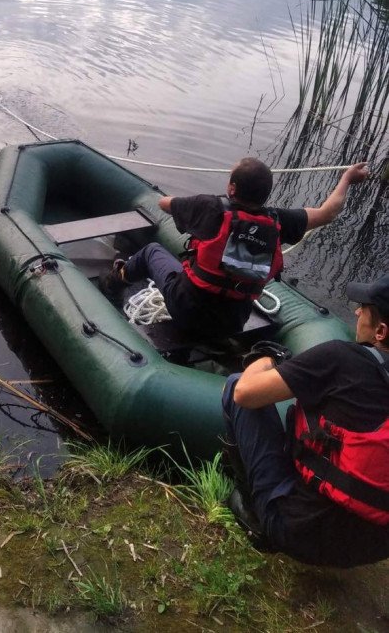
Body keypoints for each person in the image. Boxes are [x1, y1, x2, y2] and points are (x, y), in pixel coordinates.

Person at [222, 274, 389, 568]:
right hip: (368, 551)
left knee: (235, 384)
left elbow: (245, 394)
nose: (356, 312)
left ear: (381, 331)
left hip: (297, 531)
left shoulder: (341, 358)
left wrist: (264, 360)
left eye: (364, 308)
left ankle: (256, 516)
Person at [106, 158, 368, 341]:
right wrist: (346, 178)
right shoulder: (279, 221)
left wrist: (197, 203)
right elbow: (327, 213)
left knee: (152, 251)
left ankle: (115, 280)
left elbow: (164, 203)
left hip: (186, 309)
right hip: (232, 323)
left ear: (232, 188)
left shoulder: (210, 208)